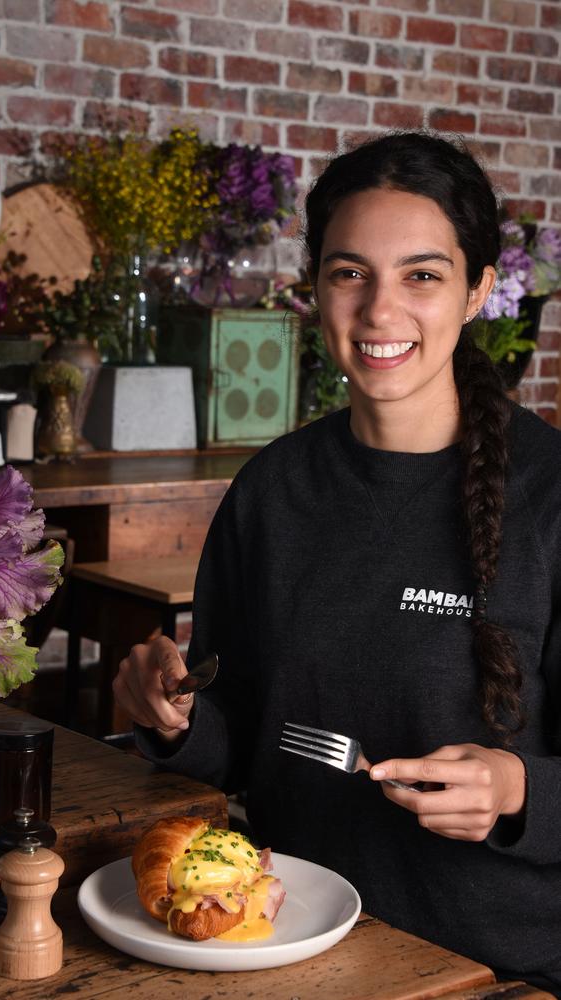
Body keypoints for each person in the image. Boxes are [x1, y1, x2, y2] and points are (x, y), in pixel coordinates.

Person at [113, 131, 561, 995]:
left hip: (493, 969)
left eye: (423, 275)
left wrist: (516, 789)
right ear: (314, 287)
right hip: (287, 941)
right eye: (350, 272)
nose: (380, 310)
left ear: (480, 292)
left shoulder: (551, 498)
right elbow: (243, 735)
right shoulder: (271, 493)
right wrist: (171, 719)